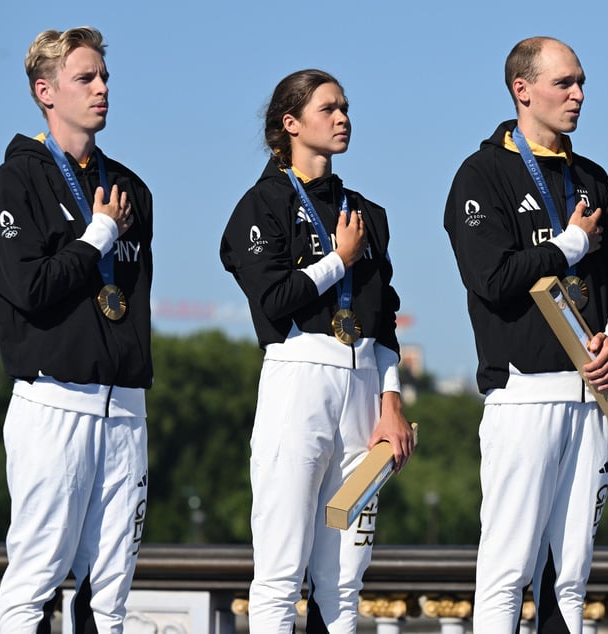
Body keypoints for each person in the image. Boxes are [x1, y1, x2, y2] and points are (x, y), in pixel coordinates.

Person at [443, 37, 608, 633]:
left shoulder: (592, 178)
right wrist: (570, 244)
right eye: (564, 83)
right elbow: (492, 279)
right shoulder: (482, 174)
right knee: (507, 572)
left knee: (572, 577)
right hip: (524, 394)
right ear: (522, 90)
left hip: (594, 397)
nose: (578, 95)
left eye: (581, 82)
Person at [220, 69, 415, 633]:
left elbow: (383, 320)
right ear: (290, 123)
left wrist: (391, 402)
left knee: (346, 577)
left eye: (345, 107)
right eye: (328, 109)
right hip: (297, 379)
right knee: (281, 573)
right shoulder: (260, 205)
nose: (342, 118)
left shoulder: (367, 212)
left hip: (362, 392)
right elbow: (275, 299)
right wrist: (339, 261)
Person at [0, 26, 153, 633]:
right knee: (34, 581)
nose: (102, 88)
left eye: (104, 76)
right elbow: (29, 292)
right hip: (53, 402)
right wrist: (97, 235)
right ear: (45, 91)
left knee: (111, 593)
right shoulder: (15, 185)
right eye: (86, 78)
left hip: (125, 406)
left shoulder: (132, 189)